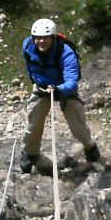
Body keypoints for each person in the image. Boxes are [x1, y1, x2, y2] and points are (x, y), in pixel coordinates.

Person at [19, 17, 100, 174]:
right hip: (41, 88)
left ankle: (90, 146)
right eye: (38, 38)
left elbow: (72, 80)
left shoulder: (66, 52)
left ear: (53, 37)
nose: (41, 41)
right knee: (33, 124)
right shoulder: (28, 46)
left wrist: (58, 90)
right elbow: (30, 68)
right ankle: (30, 153)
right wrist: (36, 83)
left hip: (64, 89)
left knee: (78, 126)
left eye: (45, 38)